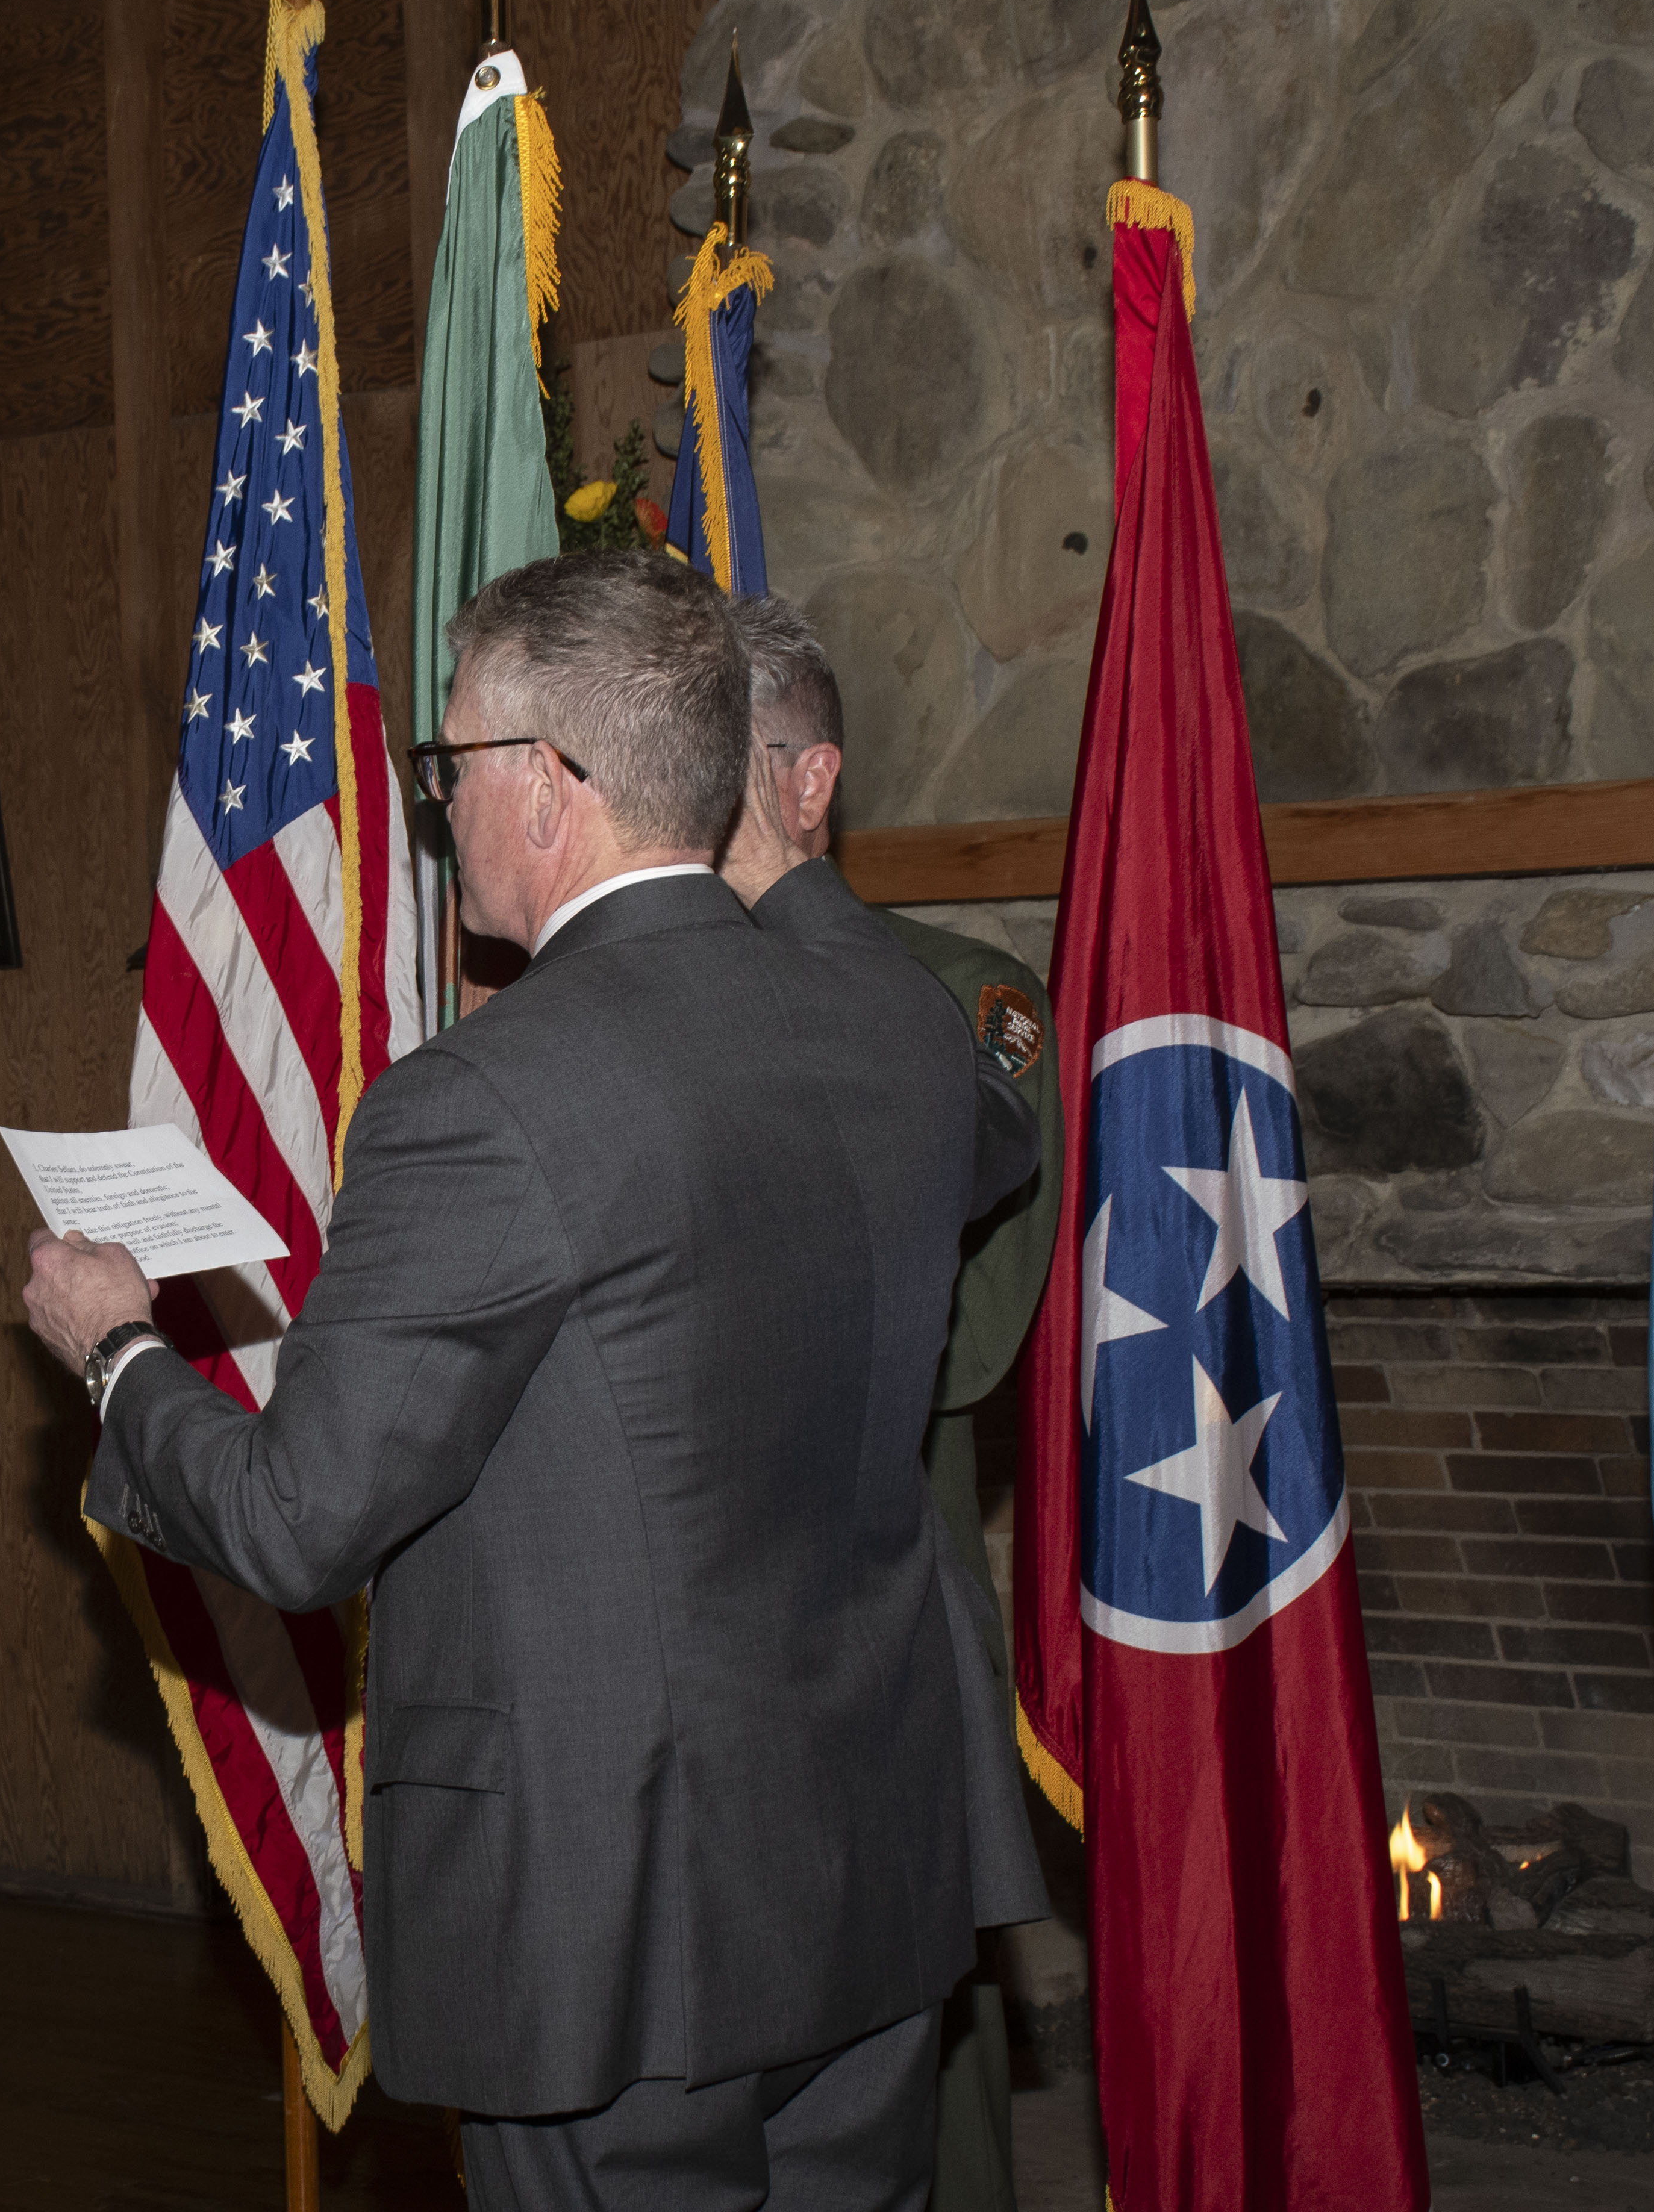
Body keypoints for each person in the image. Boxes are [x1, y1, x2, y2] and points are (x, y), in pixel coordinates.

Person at [23, 550, 1028, 2211]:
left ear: (551, 791)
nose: (439, 809)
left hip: (616, 1918)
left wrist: (118, 1349)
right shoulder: (907, 1034)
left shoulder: (481, 1099)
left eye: (451, 765)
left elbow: (295, 1525)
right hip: (864, 1866)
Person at [722, 593, 1063, 2212]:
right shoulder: (617, 1009)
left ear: (811, 784)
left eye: (716, 766)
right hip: (675, 1661)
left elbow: (976, 1331)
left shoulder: (960, 999)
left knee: (920, 2072)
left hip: (879, 1612)